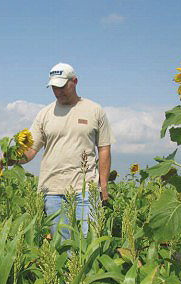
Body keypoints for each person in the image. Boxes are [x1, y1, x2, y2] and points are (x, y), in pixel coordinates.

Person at [19, 62, 113, 238]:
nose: (58, 92)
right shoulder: (45, 114)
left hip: (85, 190)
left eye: (62, 86)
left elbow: (104, 148)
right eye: (54, 87)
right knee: (62, 247)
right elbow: (30, 151)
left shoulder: (94, 110)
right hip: (53, 191)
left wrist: (104, 184)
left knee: (87, 243)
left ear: (75, 81)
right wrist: (12, 157)